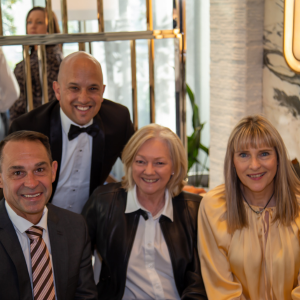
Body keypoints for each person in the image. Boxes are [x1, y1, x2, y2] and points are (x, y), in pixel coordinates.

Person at [82, 123, 207, 300]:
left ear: (174, 167)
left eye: (159, 163)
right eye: (140, 161)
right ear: (131, 163)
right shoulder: (104, 202)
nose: (149, 171)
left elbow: (201, 279)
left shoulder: (195, 210)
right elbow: (76, 260)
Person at [9, 51, 135, 214]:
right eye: (74, 88)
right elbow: (10, 185)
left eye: (92, 88)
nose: (83, 98)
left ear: (102, 92)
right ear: (57, 90)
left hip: (90, 224)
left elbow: (141, 164)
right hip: (37, 220)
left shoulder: (118, 120)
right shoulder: (28, 127)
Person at [198, 115, 300, 300]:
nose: (254, 165)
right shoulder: (213, 207)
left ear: (278, 157)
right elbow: (222, 290)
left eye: (264, 153)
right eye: (243, 155)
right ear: (233, 162)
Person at [0, 130, 97, 300]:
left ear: (53, 171)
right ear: (0, 178)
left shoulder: (75, 226)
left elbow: (85, 296)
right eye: (17, 173)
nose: (31, 183)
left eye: (39, 169)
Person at [10, 6, 63, 122]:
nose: (32, 26)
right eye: (29, 22)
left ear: (50, 27)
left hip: (40, 122)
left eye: (39, 22)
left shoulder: (54, 60)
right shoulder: (27, 62)